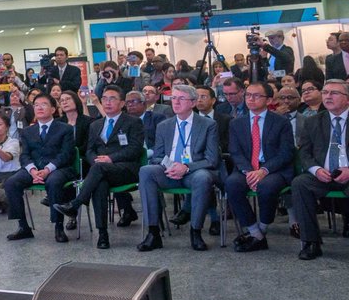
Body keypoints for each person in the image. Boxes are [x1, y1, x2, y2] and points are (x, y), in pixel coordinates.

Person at [53, 86, 145, 249]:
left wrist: (111, 158)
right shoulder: (96, 125)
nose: (107, 102)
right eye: (104, 99)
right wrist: (95, 161)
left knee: (99, 171)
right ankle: (102, 234)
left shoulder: (133, 122)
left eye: (112, 99)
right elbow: (89, 150)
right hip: (101, 170)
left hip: (126, 169)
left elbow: (135, 149)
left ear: (122, 103)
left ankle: (76, 203)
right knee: (99, 184)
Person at [135, 84, 220, 252]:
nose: (176, 102)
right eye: (173, 98)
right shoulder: (164, 125)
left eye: (181, 98)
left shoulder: (208, 125)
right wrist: (169, 165)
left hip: (194, 172)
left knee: (203, 178)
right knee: (146, 171)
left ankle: (195, 231)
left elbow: (212, 159)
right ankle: (153, 233)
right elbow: (157, 156)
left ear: (193, 102)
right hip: (169, 170)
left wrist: (186, 167)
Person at [224, 82, 294, 253]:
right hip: (246, 168)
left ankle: (261, 229)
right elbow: (235, 151)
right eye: (248, 95)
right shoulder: (236, 123)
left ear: (269, 99)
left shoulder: (281, 122)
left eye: (257, 96)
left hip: (273, 168)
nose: (251, 99)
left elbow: (286, 153)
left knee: (267, 186)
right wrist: (249, 171)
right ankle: (256, 233)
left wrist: (263, 171)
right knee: (232, 184)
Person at [2, 95, 79, 243]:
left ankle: (58, 227)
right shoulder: (27, 131)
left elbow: (66, 154)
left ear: (53, 109)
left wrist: (48, 170)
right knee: (12, 182)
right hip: (34, 169)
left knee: (54, 181)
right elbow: (24, 156)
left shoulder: (66, 129)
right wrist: (32, 171)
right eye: (36, 105)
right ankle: (23, 227)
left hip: (59, 168)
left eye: (44, 104)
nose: (39, 107)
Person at [290, 79, 349, 260]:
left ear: (347, 98)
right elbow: (304, 153)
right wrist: (315, 170)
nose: (328, 96)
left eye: (334, 93)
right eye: (325, 93)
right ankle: (311, 242)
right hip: (322, 174)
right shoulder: (313, 122)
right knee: (300, 183)